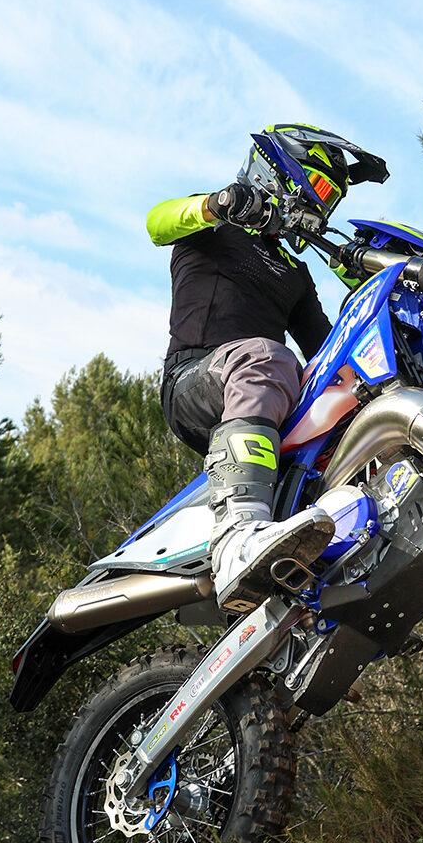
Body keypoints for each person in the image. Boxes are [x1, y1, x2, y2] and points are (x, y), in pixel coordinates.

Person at [148, 125, 384, 614]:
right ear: (279, 171)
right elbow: (157, 222)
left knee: (349, 405)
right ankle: (236, 536)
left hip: (262, 397)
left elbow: (329, 350)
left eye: (331, 200)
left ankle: (357, 571)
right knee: (268, 356)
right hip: (195, 382)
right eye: (320, 189)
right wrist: (219, 204)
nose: (322, 206)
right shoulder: (213, 229)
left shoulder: (295, 273)